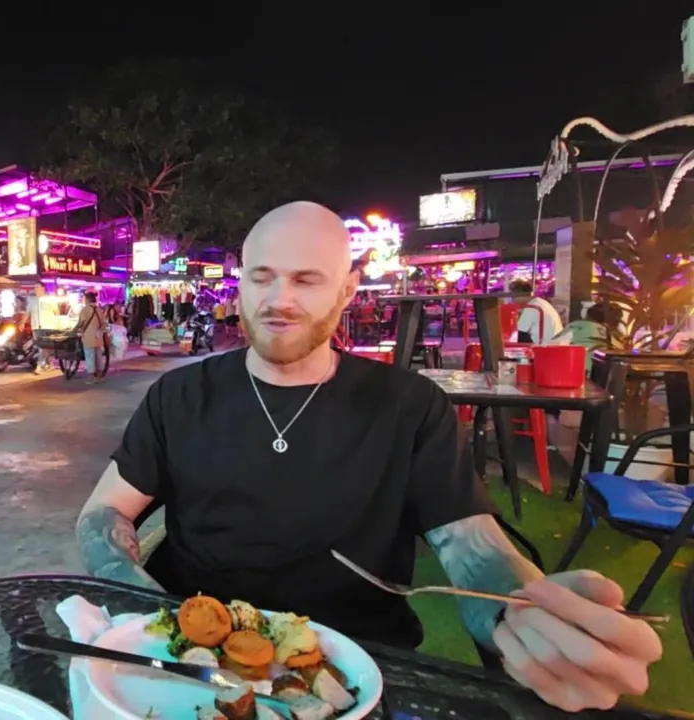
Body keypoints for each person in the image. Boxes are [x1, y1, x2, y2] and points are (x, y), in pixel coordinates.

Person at [77, 201, 661, 713]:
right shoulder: (180, 395)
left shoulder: (409, 406)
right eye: (262, 277)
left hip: (357, 667)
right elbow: (104, 513)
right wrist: (151, 615)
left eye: (306, 280)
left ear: (348, 289)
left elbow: (470, 543)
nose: (279, 300)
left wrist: (515, 614)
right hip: (193, 666)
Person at [509, 279, 563, 344]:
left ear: (520, 294)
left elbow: (518, 333)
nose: (513, 300)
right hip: (556, 344)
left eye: (513, 297)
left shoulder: (532, 307)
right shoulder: (542, 303)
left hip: (544, 346)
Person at [74, 292, 109, 383]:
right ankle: (99, 377)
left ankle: (91, 378)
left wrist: (75, 329)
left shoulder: (85, 310)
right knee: (98, 356)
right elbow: (103, 323)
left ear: (88, 300)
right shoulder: (99, 309)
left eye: (85, 299)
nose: (84, 301)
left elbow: (81, 322)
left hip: (89, 337)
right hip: (98, 337)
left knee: (90, 356)